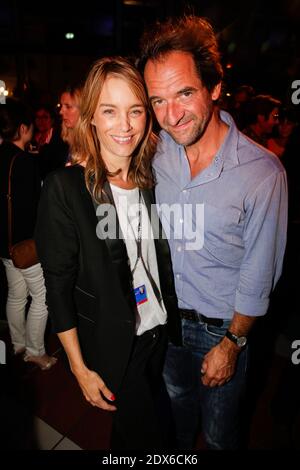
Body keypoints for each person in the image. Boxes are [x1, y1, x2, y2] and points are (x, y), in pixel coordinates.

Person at [139, 15, 288, 450]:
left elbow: (260, 275)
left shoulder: (263, 173)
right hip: (166, 324)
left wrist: (233, 344)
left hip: (221, 332)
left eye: (184, 93)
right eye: (158, 101)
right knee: (178, 419)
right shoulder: (155, 153)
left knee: (222, 436)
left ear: (214, 87)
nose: (172, 114)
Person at [35, 56, 182, 450]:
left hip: (157, 329)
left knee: (130, 435)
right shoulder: (65, 188)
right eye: (110, 111)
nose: (126, 125)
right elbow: (58, 288)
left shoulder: (150, 177)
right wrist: (79, 369)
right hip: (117, 346)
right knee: (156, 441)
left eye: (135, 110)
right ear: (92, 118)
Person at [0, 99, 57, 370]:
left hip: (4, 244)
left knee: (16, 294)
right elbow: (35, 205)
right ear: (22, 128)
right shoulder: (24, 161)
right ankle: (35, 351)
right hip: (24, 244)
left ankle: (18, 344)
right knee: (42, 297)